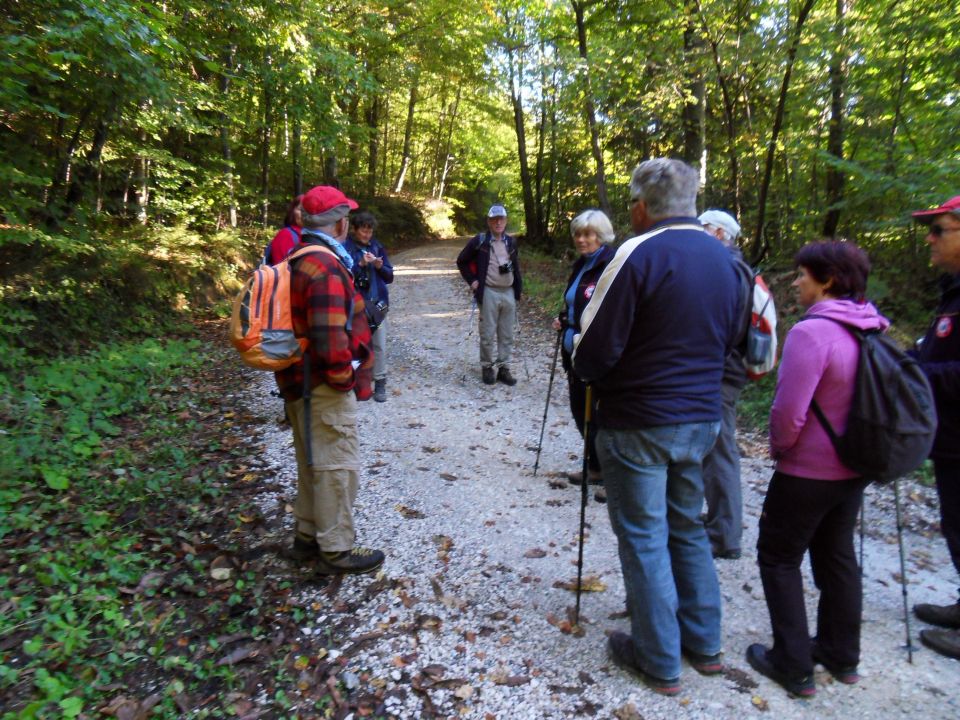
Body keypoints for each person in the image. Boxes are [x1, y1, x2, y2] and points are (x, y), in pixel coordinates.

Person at [573, 159, 744, 695]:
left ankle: (658, 658)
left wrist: (588, 366)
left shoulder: (637, 251)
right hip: (700, 417)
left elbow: (594, 348)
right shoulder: (729, 259)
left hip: (638, 421)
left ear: (642, 206)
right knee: (686, 526)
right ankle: (704, 643)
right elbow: (736, 337)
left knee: (644, 535)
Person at [747, 240, 885, 697]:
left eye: (804, 274)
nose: (797, 281)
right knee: (837, 555)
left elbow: (789, 412)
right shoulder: (872, 326)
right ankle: (841, 654)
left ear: (827, 280)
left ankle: (792, 662)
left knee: (778, 556)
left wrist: (780, 449)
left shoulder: (812, 334)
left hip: (808, 470)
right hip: (854, 466)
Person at [277, 184, 384, 575]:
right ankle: (336, 549)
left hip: (298, 382)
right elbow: (328, 336)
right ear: (340, 223)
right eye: (347, 217)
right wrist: (344, 381)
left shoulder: (298, 256)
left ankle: (307, 537)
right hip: (321, 387)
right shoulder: (322, 266)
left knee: (311, 462)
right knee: (337, 466)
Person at [909, 195, 960, 660]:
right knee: (956, 522)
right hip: (950, 436)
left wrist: (917, 375)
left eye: (940, 229)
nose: (930, 238)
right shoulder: (953, 292)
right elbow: (936, 354)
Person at [550, 210, 615, 495]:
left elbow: (611, 310)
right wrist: (564, 318)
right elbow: (575, 302)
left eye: (588, 234)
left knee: (600, 414)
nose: (581, 239)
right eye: (578, 234)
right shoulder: (581, 264)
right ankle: (595, 465)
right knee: (580, 410)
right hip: (572, 348)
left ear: (600, 236)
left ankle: (612, 475)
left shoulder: (610, 264)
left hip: (595, 351)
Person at [698, 209, 748, 560]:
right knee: (713, 447)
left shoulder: (726, 270)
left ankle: (725, 535)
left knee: (719, 450)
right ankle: (718, 521)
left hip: (720, 369)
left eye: (701, 229)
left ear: (718, 234)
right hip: (722, 367)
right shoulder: (736, 268)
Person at [456, 204, 523, 386]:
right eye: (495, 219)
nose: (498, 222)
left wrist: (518, 289)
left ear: (506, 221)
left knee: (506, 333)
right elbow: (461, 261)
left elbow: (515, 267)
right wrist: (473, 281)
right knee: (487, 332)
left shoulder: (511, 242)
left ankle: (503, 368)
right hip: (489, 292)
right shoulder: (480, 241)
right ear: (489, 221)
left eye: (501, 219)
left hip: (508, 291)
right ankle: (487, 367)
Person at [344, 211, 394, 403]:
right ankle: (357, 382)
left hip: (378, 304)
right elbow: (344, 275)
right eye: (363, 231)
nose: (367, 235)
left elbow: (390, 277)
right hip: (355, 305)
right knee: (356, 345)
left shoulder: (377, 247)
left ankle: (380, 381)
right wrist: (360, 264)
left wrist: (380, 266)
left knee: (379, 344)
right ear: (355, 230)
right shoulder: (345, 248)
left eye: (369, 231)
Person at [266, 195, 304, 265]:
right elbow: (282, 269)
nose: (304, 214)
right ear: (293, 211)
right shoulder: (286, 235)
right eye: (301, 209)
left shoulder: (311, 236)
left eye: (308, 210)